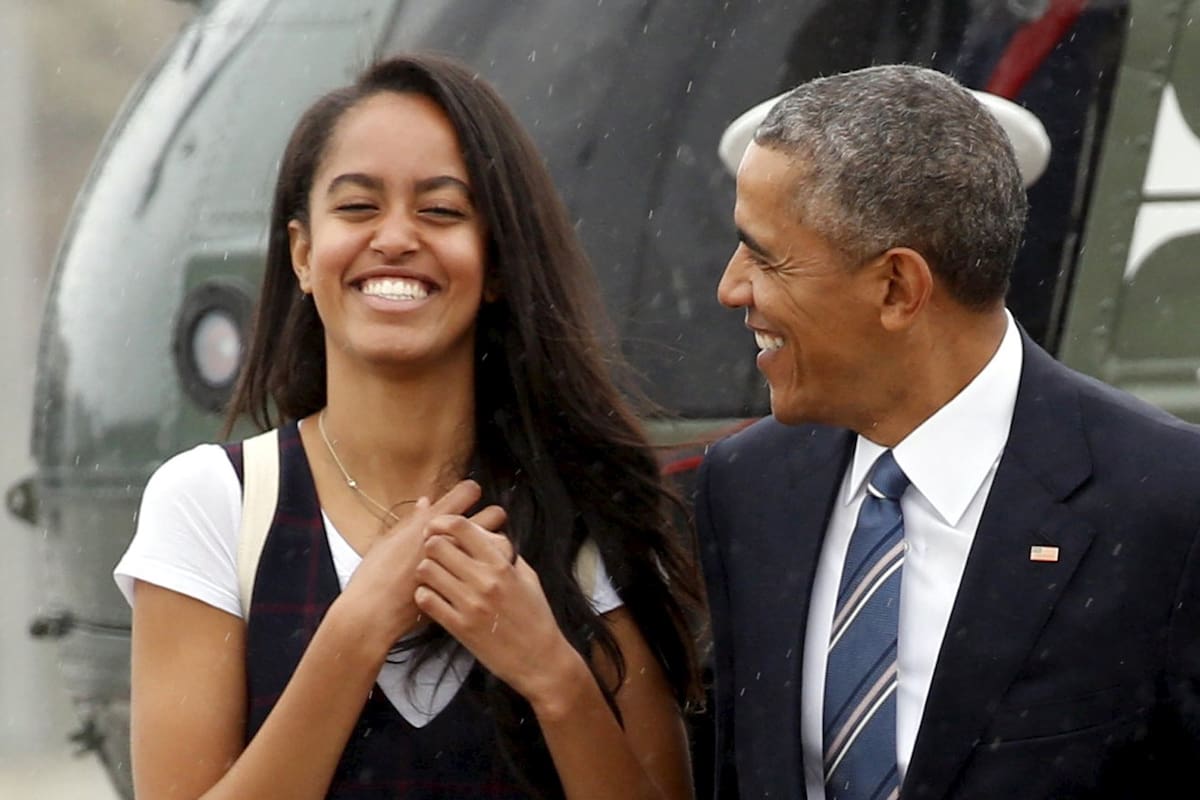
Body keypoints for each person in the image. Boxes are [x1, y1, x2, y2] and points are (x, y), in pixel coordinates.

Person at [114, 53, 703, 800]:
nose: (395, 238)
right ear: (302, 253)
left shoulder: (591, 511)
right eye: (358, 207)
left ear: (495, 265)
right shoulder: (214, 504)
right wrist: (353, 633)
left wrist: (555, 677)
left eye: (442, 211)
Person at [696, 64, 1200, 799]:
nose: (730, 288)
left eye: (765, 255)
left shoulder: (1168, 506)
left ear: (898, 287)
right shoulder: (749, 486)